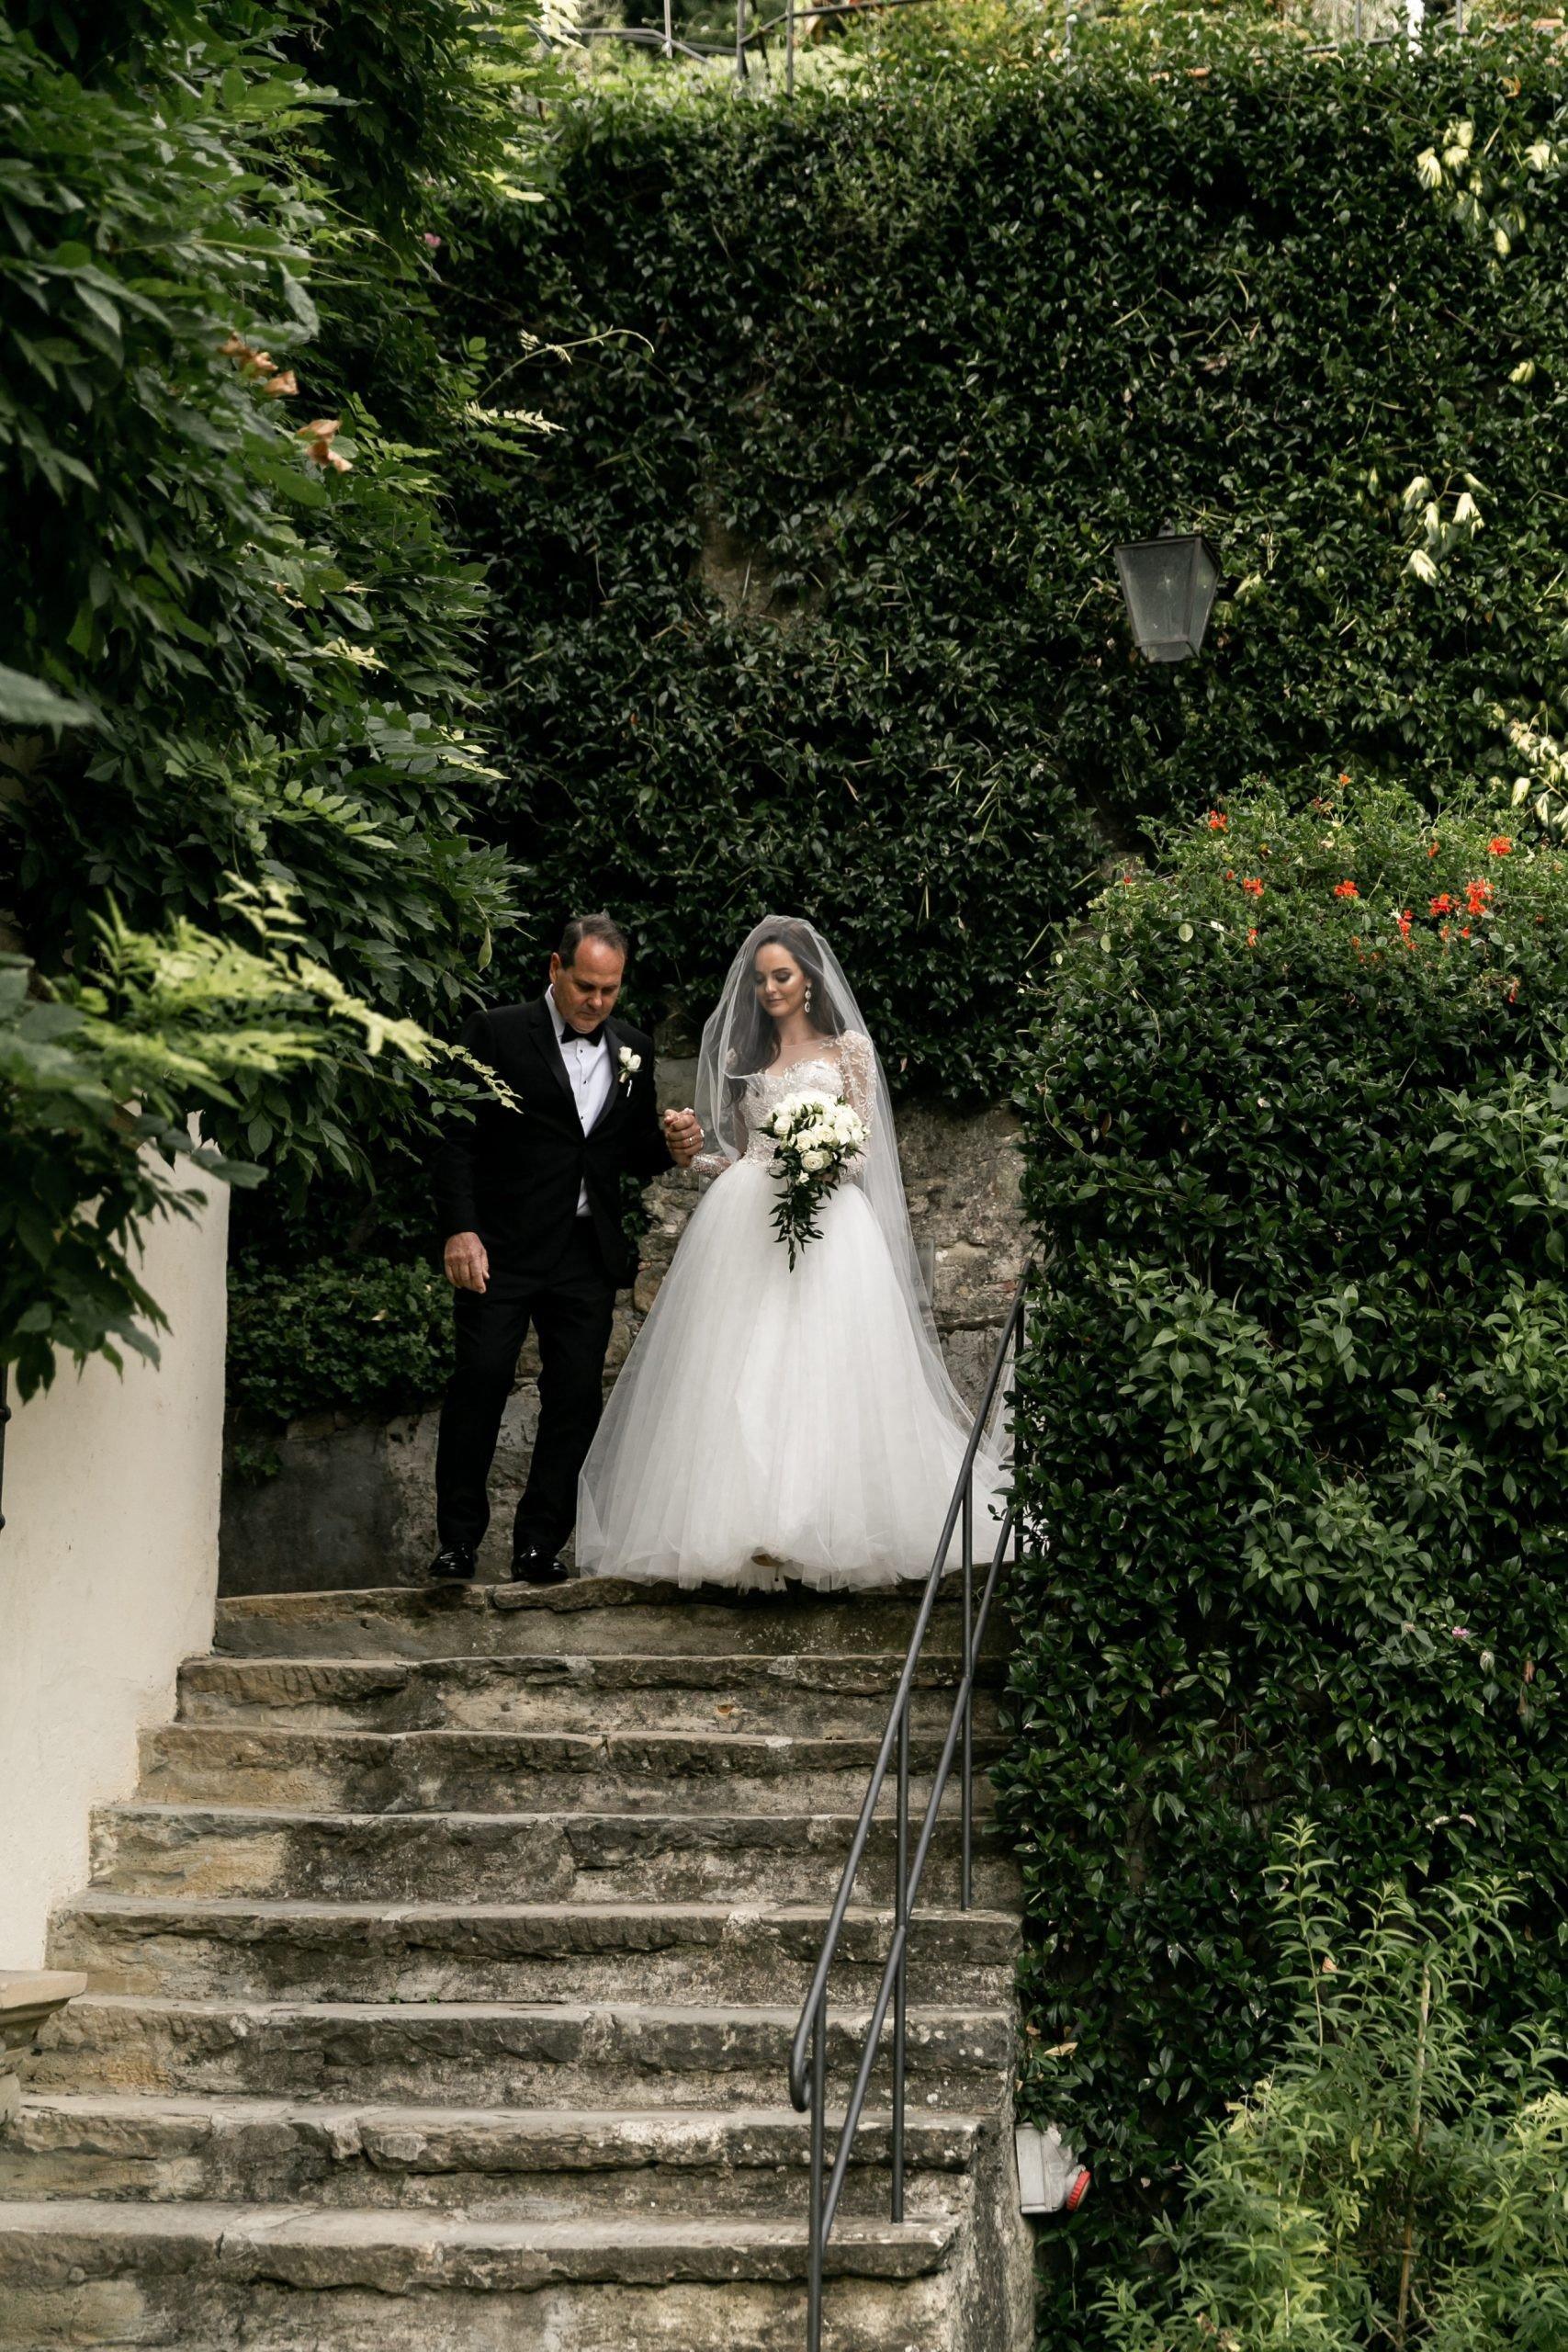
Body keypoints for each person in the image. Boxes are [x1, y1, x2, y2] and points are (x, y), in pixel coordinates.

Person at [576, 916, 1008, 1589]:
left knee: (824, 1371)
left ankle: (817, 1524)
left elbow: (863, 1144)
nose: (770, 988)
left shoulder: (849, 1051)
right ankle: (749, 1529)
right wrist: (695, 1158)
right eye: (760, 979)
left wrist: (822, 1158)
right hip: (747, 1224)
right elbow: (745, 1157)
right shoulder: (747, 1064)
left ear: (807, 979)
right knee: (741, 1372)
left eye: (782, 975)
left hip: (830, 1224)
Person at [429, 913, 701, 1584]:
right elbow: (453, 1135)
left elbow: (626, 1154)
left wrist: (670, 1147)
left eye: (610, 991)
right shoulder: (495, 1031)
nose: (597, 1002)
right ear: (555, 968)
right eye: (585, 986)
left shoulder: (632, 1045)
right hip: (501, 1247)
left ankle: (538, 1546)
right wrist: (459, 1229)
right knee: (480, 1384)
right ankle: (457, 1543)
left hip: (585, 1253)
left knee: (575, 1397)